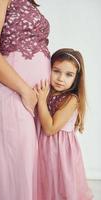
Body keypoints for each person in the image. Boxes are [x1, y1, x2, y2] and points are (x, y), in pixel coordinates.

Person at [0, 0, 51, 199]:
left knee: (26, 168)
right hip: (11, 93)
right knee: (15, 169)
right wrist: (25, 91)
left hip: (33, 99)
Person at [34, 48, 93, 200]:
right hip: (42, 148)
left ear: (76, 78)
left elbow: (50, 128)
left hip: (59, 151)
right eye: (56, 71)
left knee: (60, 185)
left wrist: (41, 101)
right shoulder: (47, 91)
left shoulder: (72, 99)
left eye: (69, 74)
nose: (61, 78)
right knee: (45, 183)